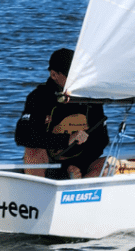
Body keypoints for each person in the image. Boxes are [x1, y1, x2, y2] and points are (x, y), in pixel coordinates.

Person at [15, 48, 108, 179]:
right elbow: (23, 136)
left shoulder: (90, 99)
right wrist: (66, 140)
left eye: (79, 75)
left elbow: (101, 141)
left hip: (78, 166)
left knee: (109, 163)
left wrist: (78, 165)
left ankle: (82, 191)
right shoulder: (38, 97)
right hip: (50, 166)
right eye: (71, 77)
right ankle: (39, 191)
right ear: (54, 75)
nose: (76, 81)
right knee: (33, 150)